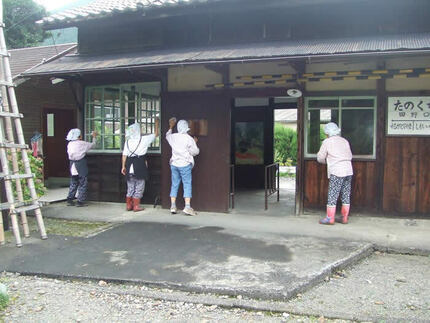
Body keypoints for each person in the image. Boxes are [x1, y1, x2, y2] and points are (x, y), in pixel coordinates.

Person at [317, 122, 353, 225]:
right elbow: (350, 155)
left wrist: (327, 162)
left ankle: (330, 218)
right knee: (346, 193)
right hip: (348, 170)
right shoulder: (345, 141)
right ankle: (344, 217)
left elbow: (320, 158)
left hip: (337, 171)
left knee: (333, 194)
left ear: (327, 133)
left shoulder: (327, 142)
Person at [121, 120, 159, 212]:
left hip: (129, 164)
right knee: (139, 186)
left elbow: (124, 155)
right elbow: (156, 134)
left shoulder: (127, 142)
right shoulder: (144, 139)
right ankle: (136, 206)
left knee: (130, 186)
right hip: (140, 164)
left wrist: (123, 166)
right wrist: (157, 123)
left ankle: (128, 205)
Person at [166, 118, 199, 216]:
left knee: (174, 184)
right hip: (185, 164)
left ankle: (172, 206)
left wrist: (171, 126)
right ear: (186, 128)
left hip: (174, 164)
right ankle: (187, 207)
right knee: (187, 184)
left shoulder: (173, 137)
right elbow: (195, 152)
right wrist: (195, 142)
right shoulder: (189, 139)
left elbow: (167, 136)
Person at [66, 129, 97, 207]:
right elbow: (93, 145)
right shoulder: (82, 143)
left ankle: (70, 199)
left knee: (73, 182)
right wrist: (94, 137)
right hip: (80, 163)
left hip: (72, 163)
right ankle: (80, 201)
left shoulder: (70, 144)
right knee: (83, 182)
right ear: (79, 136)